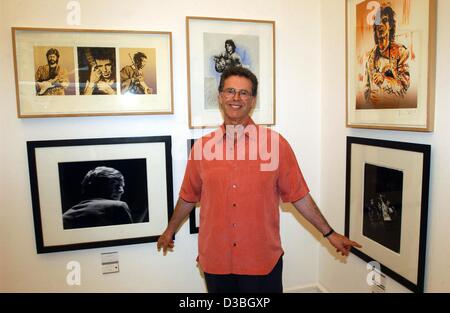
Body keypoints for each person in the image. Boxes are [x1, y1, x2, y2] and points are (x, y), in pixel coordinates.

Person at [157, 66, 362, 293]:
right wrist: (169, 231)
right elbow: (188, 197)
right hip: (216, 262)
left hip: (262, 263)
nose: (236, 98)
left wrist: (329, 233)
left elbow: (299, 195)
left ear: (252, 100)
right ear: (220, 96)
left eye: (244, 93)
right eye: (230, 91)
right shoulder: (202, 149)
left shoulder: (275, 145)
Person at [363, 4, 410, 106]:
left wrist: (384, 80)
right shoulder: (370, 57)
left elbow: (405, 89)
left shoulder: (401, 52)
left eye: (384, 21)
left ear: (390, 26)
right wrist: (369, 100)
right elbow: (366, 90)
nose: (380, 25)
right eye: (377, 22)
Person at [63, 166, 132, 229]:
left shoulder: (65, 217)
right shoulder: (117, 206)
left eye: (122, 186)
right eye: (116, 185)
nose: (121, 190)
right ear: (98, 185)